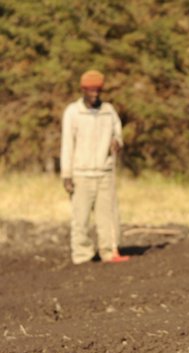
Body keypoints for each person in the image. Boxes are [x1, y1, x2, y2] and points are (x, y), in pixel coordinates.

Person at [61, 69, 128, 264]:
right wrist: (66, 175)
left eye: (98, 90)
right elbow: (67, 144)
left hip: (104, 172)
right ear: (83, 90)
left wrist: (117, 142)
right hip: (80, 174)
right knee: (80, 219)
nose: (94, 94)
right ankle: (82, 255)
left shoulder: (109, 111)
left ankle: (109, 251)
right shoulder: (73, 112)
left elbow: (118, 135)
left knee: (107, 217)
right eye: (90, 91)